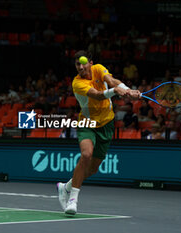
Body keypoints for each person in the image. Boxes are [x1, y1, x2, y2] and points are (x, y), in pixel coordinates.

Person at [57, 50, 140, 215]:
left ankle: (65, 187)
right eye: (77, 64)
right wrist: (115, 91)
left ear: (90, 63)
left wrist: (128, 90)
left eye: (83, 62)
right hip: (88, 122)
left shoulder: (99, 69)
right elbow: (97, 95)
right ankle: (73, 199)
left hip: (107, 123)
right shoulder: (77, 83)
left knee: (93, 169)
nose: (80, 66)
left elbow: (112, 80)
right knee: (86, 154)